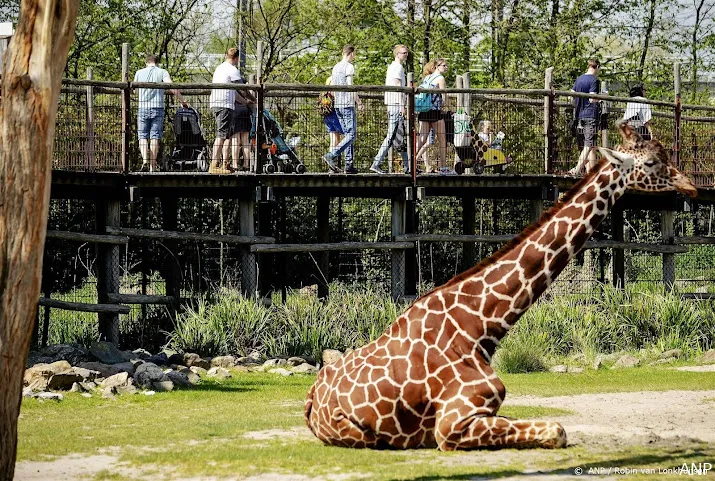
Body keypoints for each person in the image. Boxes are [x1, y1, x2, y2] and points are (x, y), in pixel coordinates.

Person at [134, 54, 187, 172]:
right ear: (157, 63)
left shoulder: (139, 73)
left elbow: (134, 91)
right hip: (158, 107)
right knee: (155, 137)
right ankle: (152, 167)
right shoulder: (162, 72)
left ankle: (145, 161)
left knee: (142, 136)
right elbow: (171, 86)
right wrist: (182, 100)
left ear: (146, 62)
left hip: (142, 107)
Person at [323, 45, 364, 174]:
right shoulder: (349, 67)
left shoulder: (335, 67)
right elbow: (351, 86)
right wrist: (359, 102)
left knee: (347, 135)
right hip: (347, 104)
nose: (354, 57)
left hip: (338, 105)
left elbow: (334, 88)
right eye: (354, 54)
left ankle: (349, 164)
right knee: (351, 134)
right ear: (351, 54)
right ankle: (332, 154)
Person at [370, 45, 410, 175]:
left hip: (393, 104)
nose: (406, 55)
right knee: (391, 135)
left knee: (400, 137)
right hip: (395, 105)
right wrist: (402, 106)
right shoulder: (397, 68)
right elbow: (398, 87)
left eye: (407, 53)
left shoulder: (395, 67)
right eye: (403, 53)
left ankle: (408, 166)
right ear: (397, 54)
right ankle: (376, 163)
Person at [415, 58, 454, 175]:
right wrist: (446, 107)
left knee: (422, 139)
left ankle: (410, 164)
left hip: (424, 111)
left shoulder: (427, 77)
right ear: (437, 66)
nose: (446, 67)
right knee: (442, 139)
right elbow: (444, 96)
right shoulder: (440, 78)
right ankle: (443, 167)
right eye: (444, 65)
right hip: (435, 112)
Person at [209, 48, 242, 174]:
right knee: (221, 135)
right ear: (236, 58)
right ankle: (214, 164)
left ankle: (224, 164)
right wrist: (253, 97)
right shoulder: (233, 70)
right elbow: (242, 89)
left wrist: (246, 102)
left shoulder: (219, 68)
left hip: (217, 103)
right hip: (224, 105)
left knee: (227, 136)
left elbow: (236, 93)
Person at [569, 58, 602, 175]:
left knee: (586, 146)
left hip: (578, 116)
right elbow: (592, 99)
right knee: (589, 145)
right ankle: (577, 169)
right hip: (590, 116)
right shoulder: (595, 81)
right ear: (597, 67)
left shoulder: (579, 79)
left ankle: (588, 173)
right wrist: (602, 97)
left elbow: (570, 96)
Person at [229, 78, 255, 171]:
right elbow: (250, 96)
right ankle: (246, 165)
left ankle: (235, 164)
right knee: (245, 141)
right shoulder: (244, 85)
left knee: (235, 140)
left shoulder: (232, 85)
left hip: (235, 110)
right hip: (245, 110)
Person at [323, 76, 343, 165]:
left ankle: (332, 161)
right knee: (337, 137)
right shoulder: (334, 80)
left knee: (333, 137)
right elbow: (335, 94)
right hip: (333, 112)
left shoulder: (328, 79)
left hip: (327, 113)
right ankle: (332, 159)